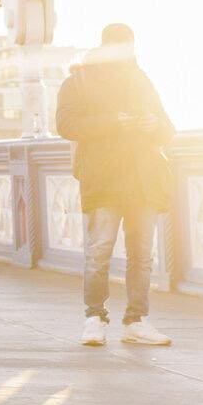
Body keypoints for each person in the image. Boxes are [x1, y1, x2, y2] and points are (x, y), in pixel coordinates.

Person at [55, 23, 175, 348]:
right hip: (103, 178)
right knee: (99, 252)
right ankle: (94, 319)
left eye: (129, 47)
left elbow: (168, 128)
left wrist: (154, 124)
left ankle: (136, 321)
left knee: (142, 256)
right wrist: (115, 122)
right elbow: (65, 124)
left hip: (143, 179)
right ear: (104, 46)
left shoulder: (142, 80)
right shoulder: (78, 81)